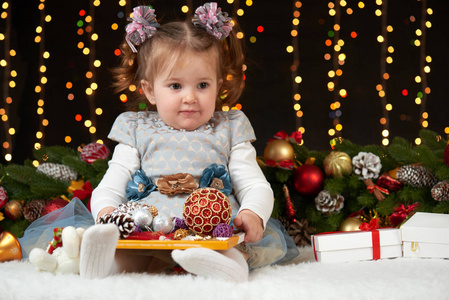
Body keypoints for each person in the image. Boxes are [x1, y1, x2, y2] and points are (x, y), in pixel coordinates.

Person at [80, 2, 299, 282]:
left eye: (202, 85)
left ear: (219, 86)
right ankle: (99, 265)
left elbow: (254, 183)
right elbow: (113, 182)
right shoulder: (136, 128)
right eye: (175, 86)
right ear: (149, 90)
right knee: (126, 255)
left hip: (212, 228)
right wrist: (107, 213)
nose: (190, 97)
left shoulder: (229, 128)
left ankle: (219, 267)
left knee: (233, 253)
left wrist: (252, 212)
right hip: (151, 228)